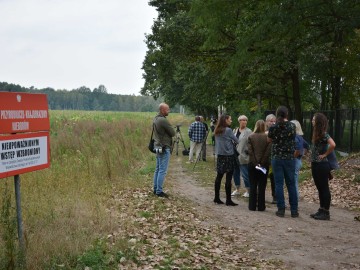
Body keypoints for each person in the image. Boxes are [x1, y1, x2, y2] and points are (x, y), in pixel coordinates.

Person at [267, 106, 298, 218]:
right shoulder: (292, 126)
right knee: (291, 184)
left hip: (277, 157)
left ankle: (281, 209)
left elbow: (269, 140)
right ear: (286, 114)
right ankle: (294, 210)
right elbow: (294, 138)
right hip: (289, 158)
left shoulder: (274, 127)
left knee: (279, 184)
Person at [310, 113, 336, 220]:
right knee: (319, 188)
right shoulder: (316, 134)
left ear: (318, 122)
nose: (312, 120)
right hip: (315, 164)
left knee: (324, 188)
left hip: (322, 164)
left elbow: (333, 144)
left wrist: (325, 154)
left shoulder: (324, 134)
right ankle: (321, 209)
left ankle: (326, 212)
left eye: (314, 119)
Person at [213, 114, 239, 206]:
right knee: (228, 177)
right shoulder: (228, 130)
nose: (231, 121)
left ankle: (216, 197)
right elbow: (237, 140)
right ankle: (228, 200)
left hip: (220, 155)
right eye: (230, 119)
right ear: (226, 120)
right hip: (229, 155)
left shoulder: (217, 130)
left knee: (219, 176)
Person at [153, 103, 175, 198]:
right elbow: (173, 133)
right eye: (167, 110)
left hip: (157, 145)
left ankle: (155, 189)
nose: (168, 111)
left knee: (158, 169)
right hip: (164, 146)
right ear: (162, 110)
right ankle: (159, 191)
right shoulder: (162, 120)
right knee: (162, 170)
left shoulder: (156, 118)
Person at [248, 120, 271, 211]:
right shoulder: (267, 138)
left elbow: (250, 151)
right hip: (264, 165)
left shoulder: (251, 136)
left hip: (252, 164)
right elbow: (267, 152)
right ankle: (261, 206)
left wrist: (255, 162)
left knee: (252, 185)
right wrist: (261, 162)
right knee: (262, 186)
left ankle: (252, 206)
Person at [231, 115, 252, 197]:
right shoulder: (235, 130)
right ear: (239, 121)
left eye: (246, 120)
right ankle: (237, 189)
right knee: (235, 173)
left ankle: (248, 190)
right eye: (242, 120)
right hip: (234, 155)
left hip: (243, 155)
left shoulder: (249, 131)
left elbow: (251, 143)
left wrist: (249, 151)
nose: (244, 122)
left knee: (245, 174)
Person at [290, 119, 310, 199]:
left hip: (295, 160)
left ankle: (295, 198)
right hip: (298, 160)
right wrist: (303, 153)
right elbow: (307, 146)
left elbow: (298, 149)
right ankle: (295, 198)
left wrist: (293, 157)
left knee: (293, 181)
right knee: (294, 180)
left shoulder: (295, 137)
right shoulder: (300, 137)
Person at [265, 114, 277, 204]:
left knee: (273, 178)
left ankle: (275, 196)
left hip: (273, 158)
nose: (273, 123)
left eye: (274, 121)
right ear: (266, 122)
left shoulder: (277, 131)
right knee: (263, 177)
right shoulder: (263, 132)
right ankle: (261, 196)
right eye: (271, 121)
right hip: (264, 159)